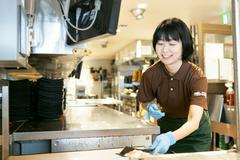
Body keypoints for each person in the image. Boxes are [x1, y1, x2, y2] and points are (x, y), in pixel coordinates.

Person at [136, 17, 212, 154]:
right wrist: (148, 106)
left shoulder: (196, 76)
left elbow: (194, 121)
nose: (165, 50)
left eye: (172, 44)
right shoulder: (150, 74)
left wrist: (171, 138)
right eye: (160, 44)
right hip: (166, 128)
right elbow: (144, 101)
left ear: (184, 45)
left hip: (195, 135)